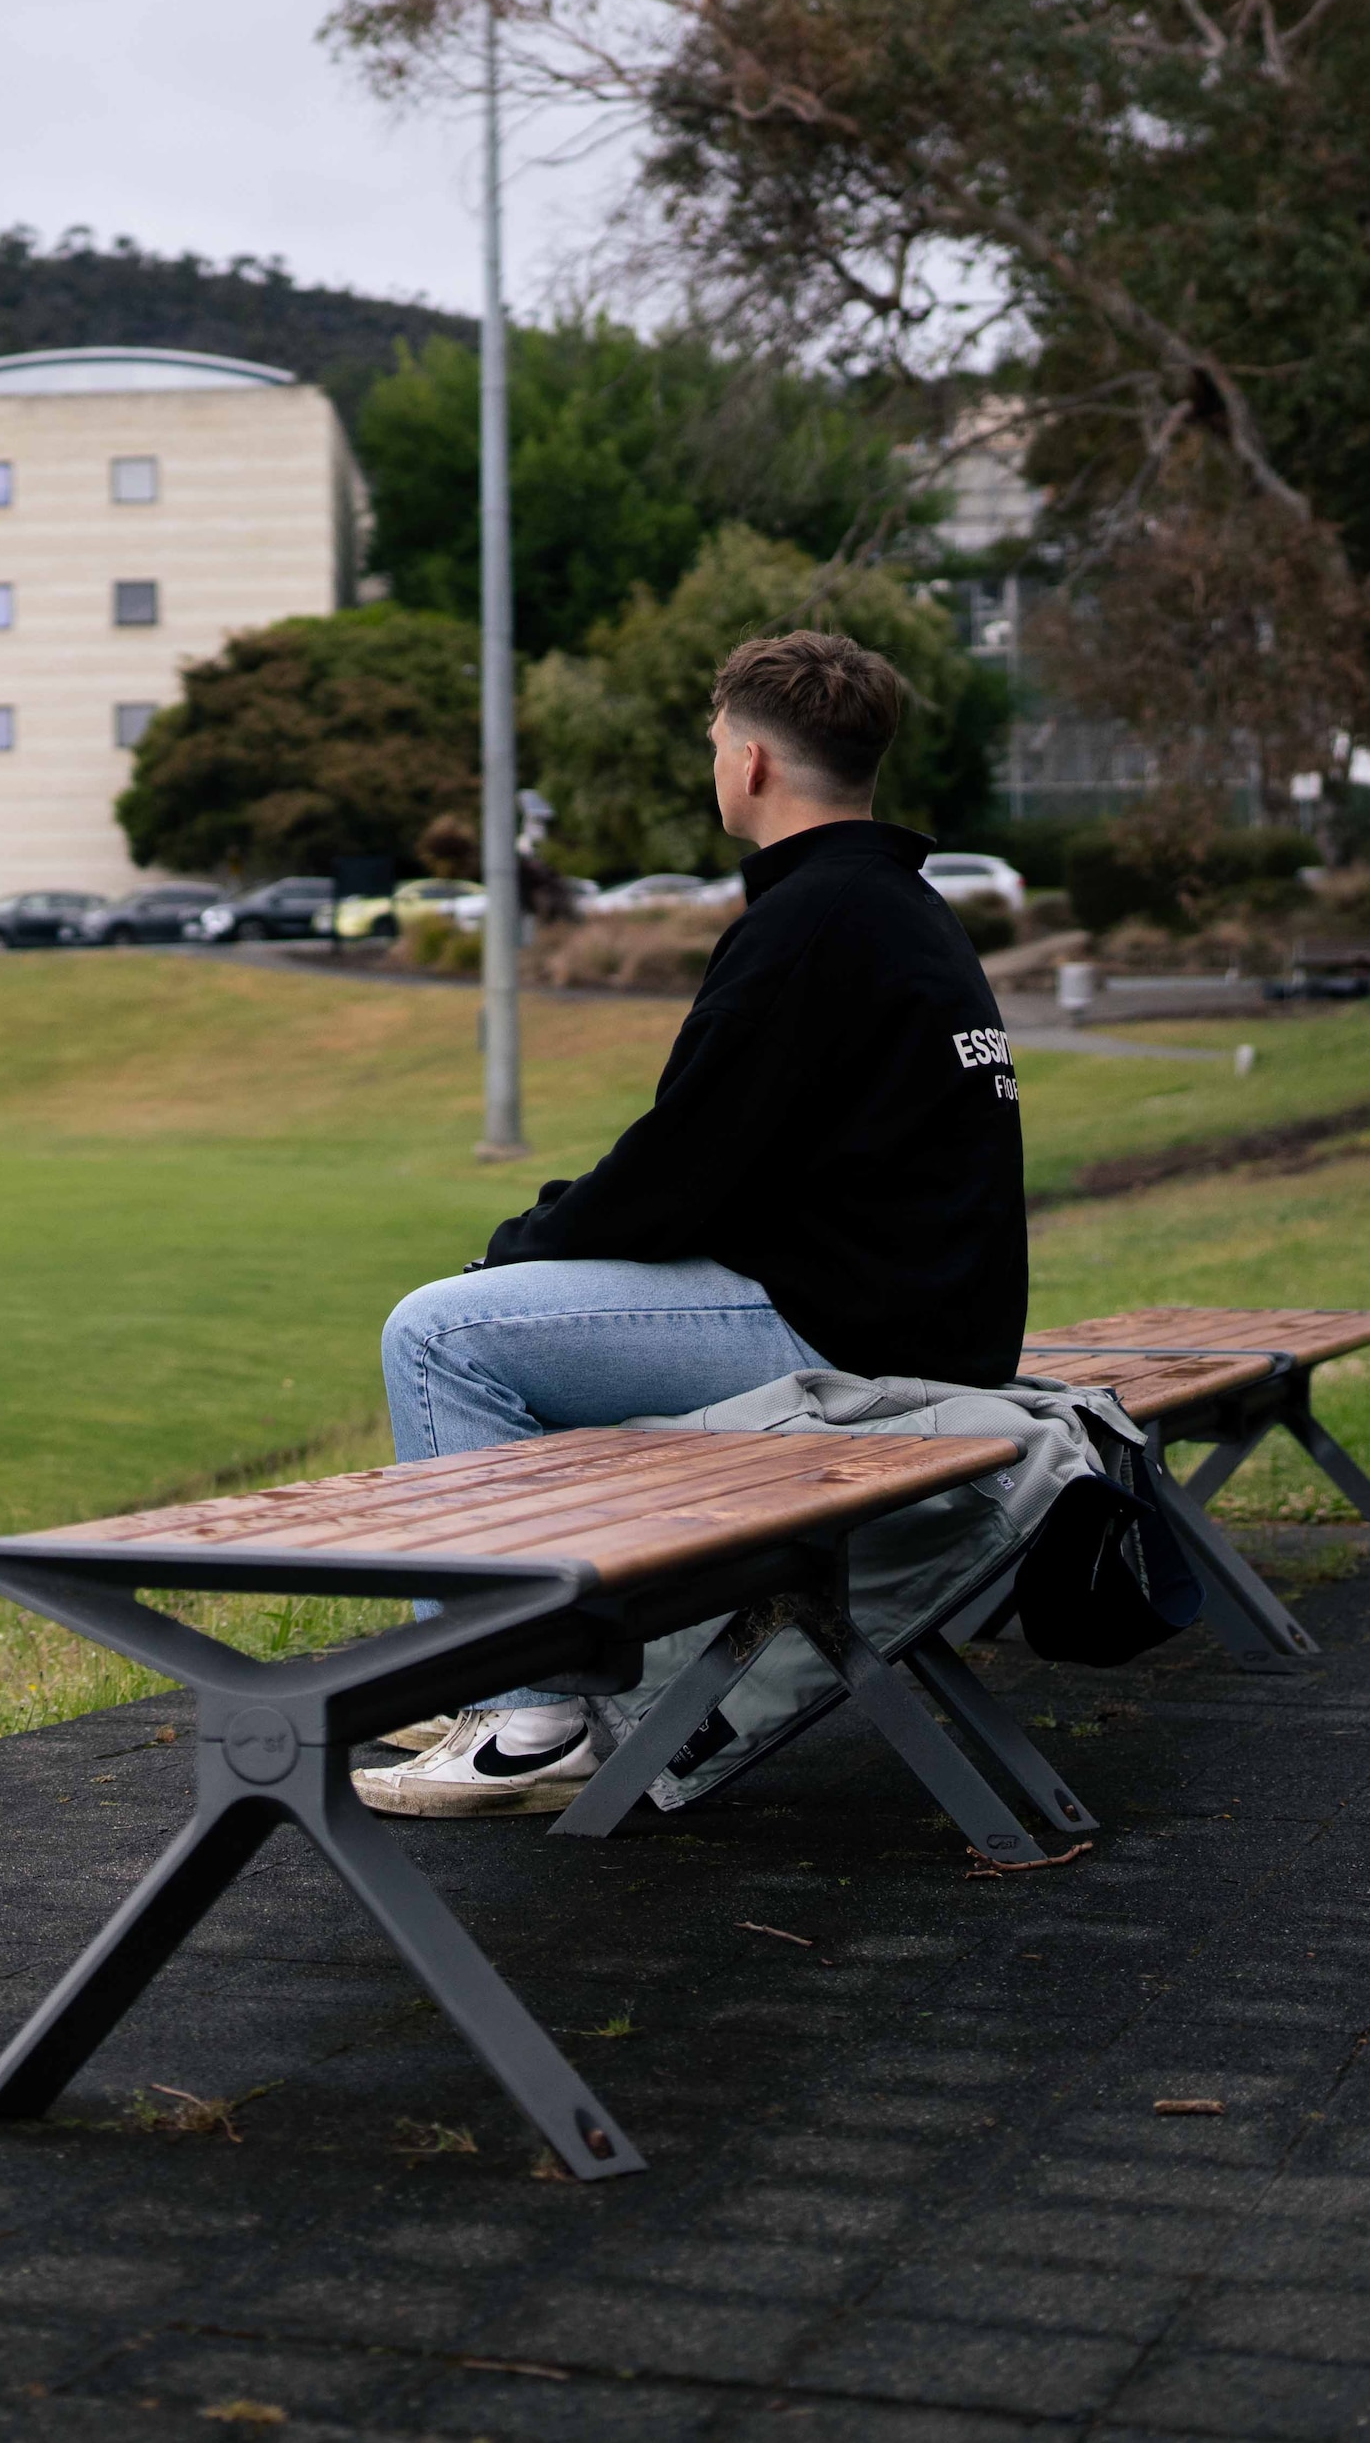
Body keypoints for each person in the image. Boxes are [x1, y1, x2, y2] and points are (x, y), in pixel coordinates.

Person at [356, 630, 1028, 1817]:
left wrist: (518, 1244)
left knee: (441, 1334)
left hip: (855, 1347)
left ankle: (523, 1710)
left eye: (717, 743)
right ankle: (500, 1677)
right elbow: (730, 1162)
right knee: (495, 1321)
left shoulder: (810, 922)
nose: (714, 763)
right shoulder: (901, 910)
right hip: (918, 1323)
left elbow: (678, 1167)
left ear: (754, 763)